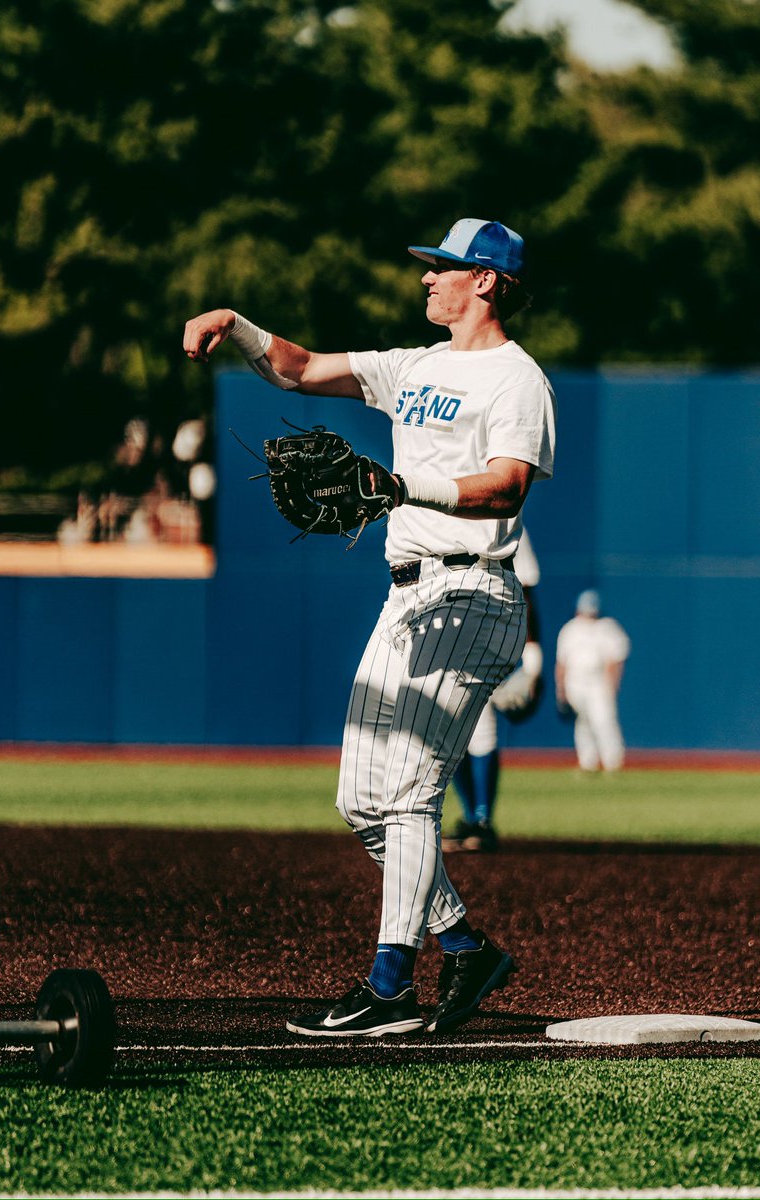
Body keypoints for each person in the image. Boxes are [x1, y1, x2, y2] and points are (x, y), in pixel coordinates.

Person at [184, 218, 556, 1038]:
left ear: (485, 282)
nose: (427, 279)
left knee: (412, 794)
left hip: (470, 592)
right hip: (406, 597)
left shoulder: (515, 379)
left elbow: (506, 487)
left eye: (443, 269)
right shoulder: (412, 366)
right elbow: (302, 368)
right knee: (362, 802)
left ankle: (391, 986)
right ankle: (463, 945)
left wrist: (400, 485)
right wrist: (235, 325)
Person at [443, 526, 543, 853]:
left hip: (487, 632)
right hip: (444, 634)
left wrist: (533, 656)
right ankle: (473, 817)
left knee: (480, 729)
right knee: (447, 732)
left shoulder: (507, 517)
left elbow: (526, 588)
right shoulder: (435, 513)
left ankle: (482, 819)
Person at [554, 589, 630, 773]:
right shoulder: (571, 629)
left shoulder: (607, 627)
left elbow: (616, 659)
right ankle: (587, 762)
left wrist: (612, 683)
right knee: (583, 722)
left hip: (598, 681)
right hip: (576, 681)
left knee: (604, 720)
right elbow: (562, 663)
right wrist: (561, 689)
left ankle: (613, 761)